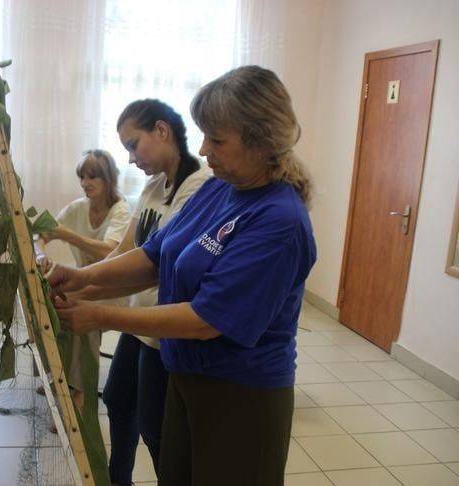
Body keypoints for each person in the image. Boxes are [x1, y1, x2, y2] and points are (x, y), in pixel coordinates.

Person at [47, 66, 317, 486]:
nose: (204, 149)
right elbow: (153, 256)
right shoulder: (218, 189)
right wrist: (81, 279)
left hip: (241, 396)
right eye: (204, 135)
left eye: (218, 139)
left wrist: (102, 316)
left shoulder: (279, 221)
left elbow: (206, 320)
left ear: (262, 140)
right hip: (186, 378)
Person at [70, 99, 210, 485]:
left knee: (156, 427)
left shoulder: (199, 188)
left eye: (134, 144)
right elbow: (127, 250)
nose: (130, 158)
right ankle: (119, 479)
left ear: (162, 131)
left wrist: (88, 292)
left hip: (162, 328)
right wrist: (78, 278)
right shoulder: (153, 186)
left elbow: (157, 268)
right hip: (139, 325)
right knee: (116, 399)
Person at [37, 149, 131, 411]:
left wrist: (67, 235)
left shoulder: (121, 211)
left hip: (116, 290)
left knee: (80, 310)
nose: (85, 183)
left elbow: (110, 251)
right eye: (82, 177)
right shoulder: (79, 207)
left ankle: (80, 391)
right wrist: (40, 252)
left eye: (93, 177)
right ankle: (54, 372)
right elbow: (41, 233)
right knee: (45, 296)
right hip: (85, 283)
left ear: (108, 179)